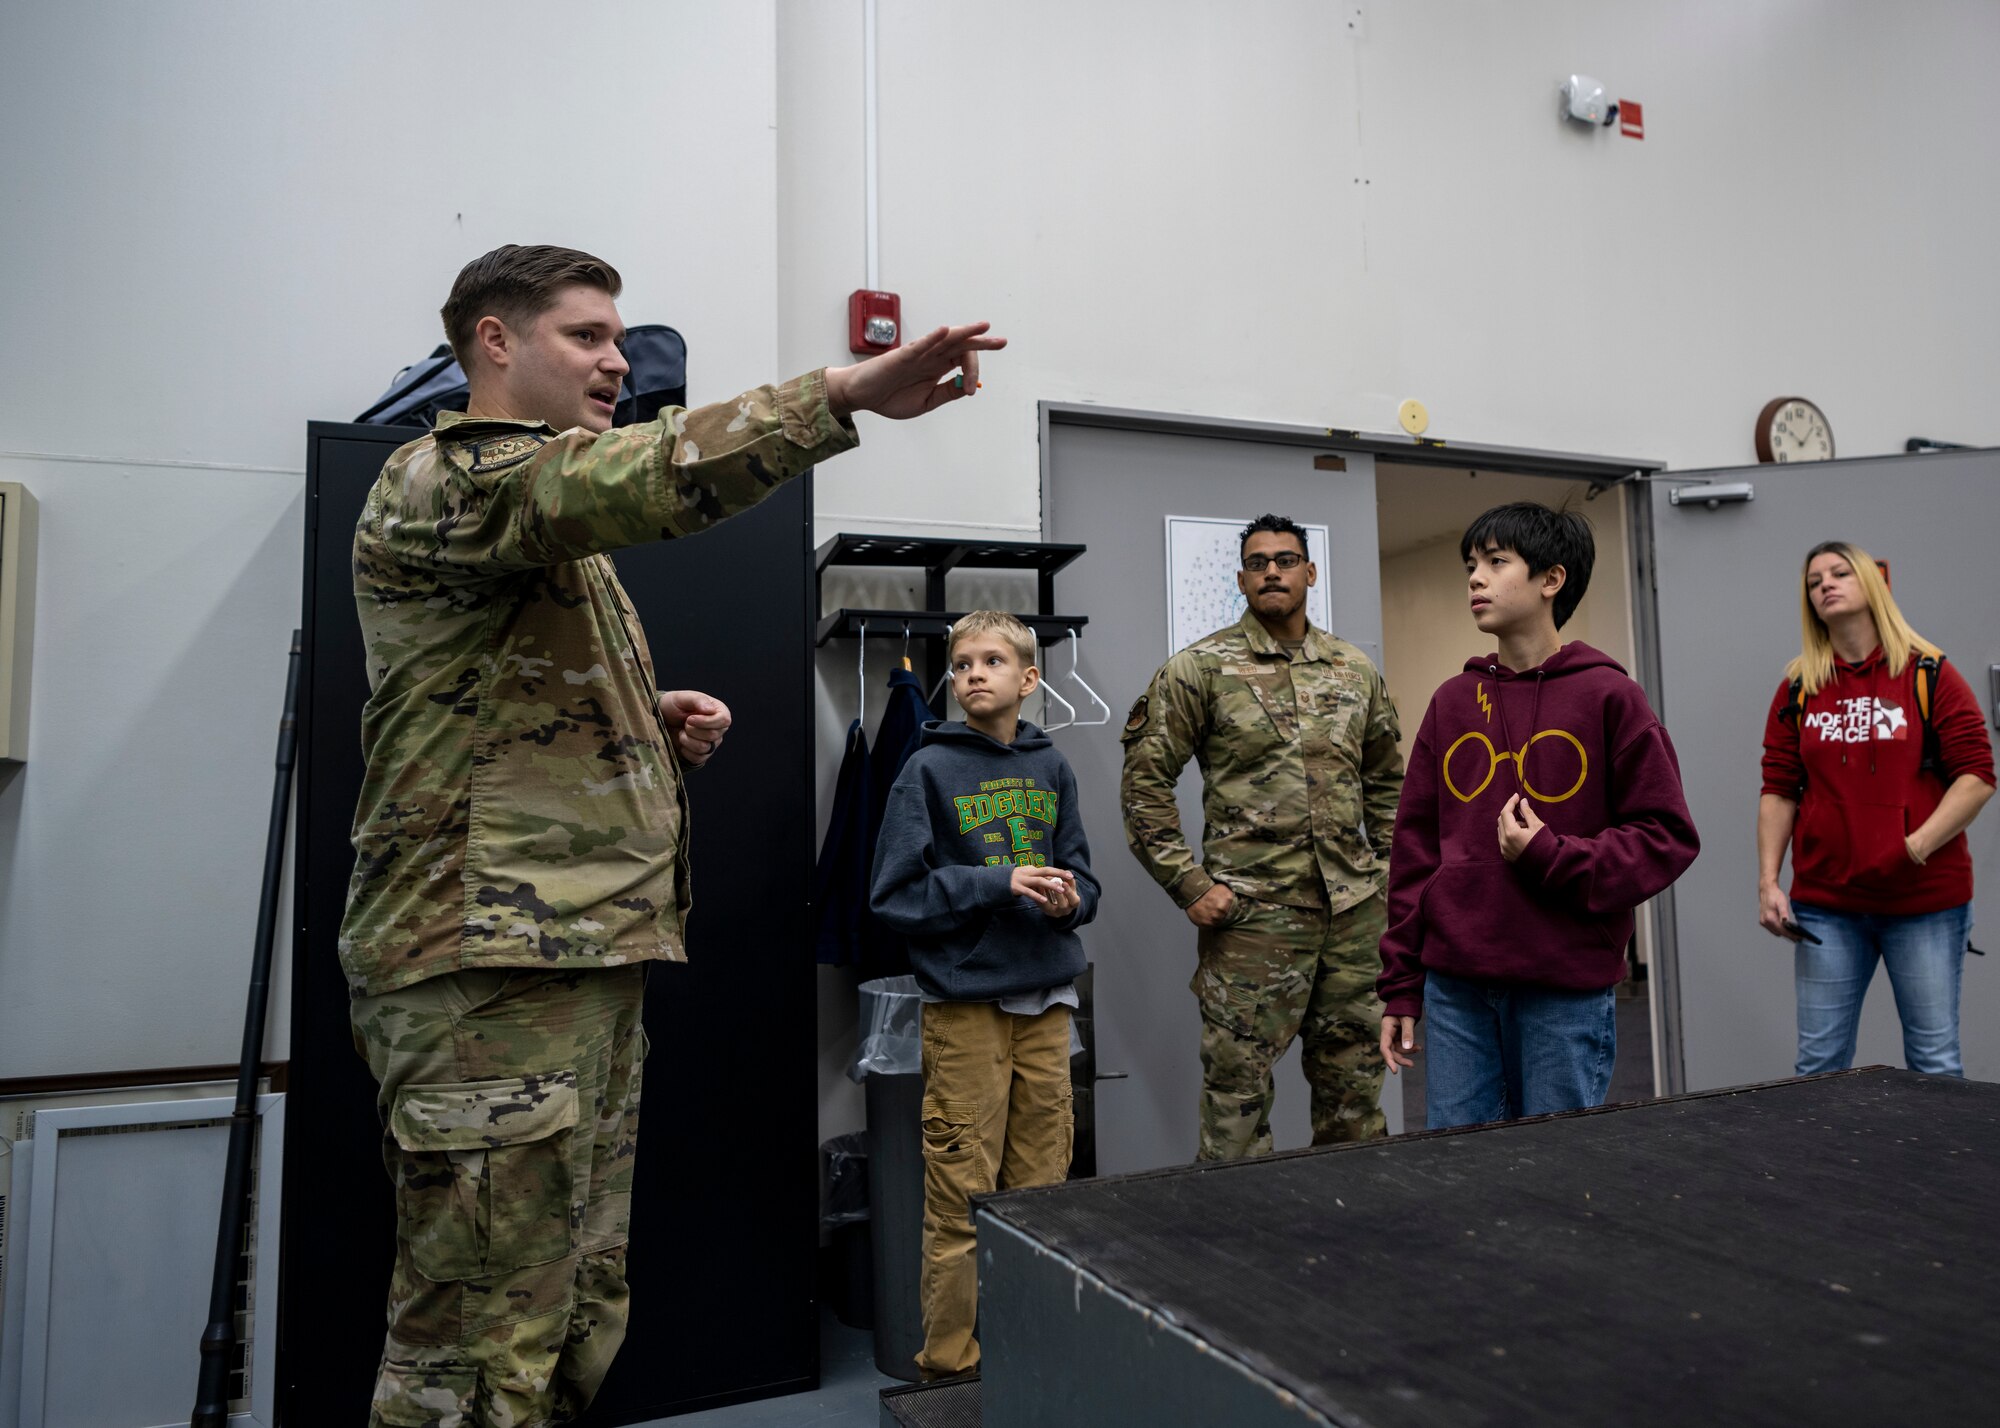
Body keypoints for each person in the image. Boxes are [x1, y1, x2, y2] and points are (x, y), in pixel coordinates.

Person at [340, 243, 1003, 1425]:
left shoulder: (532, 527)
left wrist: (639, 720)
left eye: (615, 335)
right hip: (481, 974)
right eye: (585, 336)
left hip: (570, 964)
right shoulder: (448, 482)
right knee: (472, 1340)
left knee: (569, 1303)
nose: (615, 359)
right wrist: (841, 392)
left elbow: (476, 706)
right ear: (494, 341)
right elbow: (631, 478)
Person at [1377, 502, 1699, 1129]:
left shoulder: (1610, 696)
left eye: (1497, 563)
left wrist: (1552, 857)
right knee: (1459, 1176)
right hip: (1456, 988)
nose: (1476, 578)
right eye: (1472, 565)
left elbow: (1667, 837)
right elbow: (1414, 853)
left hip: (1564, 987)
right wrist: (1402, 982)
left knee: (1556, 1184)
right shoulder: (1450, 703)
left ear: (1551, 580)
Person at [1122, 514, 1403, 1160]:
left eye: (1285, 559)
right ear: (1242, 579)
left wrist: (1392, 878)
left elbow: (1390, 783)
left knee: (1355, 1096)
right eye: (1257, 562)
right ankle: (1235, 1248)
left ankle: (1361, 1240)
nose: (1271, 570)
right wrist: (1188, 883)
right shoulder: (1201, 670)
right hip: (1254, 924)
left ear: (1310, 572)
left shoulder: (1354, 671)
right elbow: (1144, 783)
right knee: (1237, 1105)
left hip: (1354, 922)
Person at [869, 610, 1100, 1380]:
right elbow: (894, 896)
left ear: (1028, 681)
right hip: (965, 1010)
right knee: (961, 1200)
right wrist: (999, 882)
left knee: (1041, 1200)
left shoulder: (1053, 765)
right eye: (961, 662)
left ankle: (1034, 1356)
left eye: (991, 660)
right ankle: (951, 1370)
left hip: (1047, 1004)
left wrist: (1072, 900)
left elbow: (1084, 874)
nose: (973, 673)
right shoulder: (925, 769)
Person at [1757, 541, 1994, 1076]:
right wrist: (1769, 882)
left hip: (1925, 903)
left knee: (1934, 1064)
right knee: (1819, 1067)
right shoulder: (1800, 686)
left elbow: (1977, 777)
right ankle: (1824, 1164)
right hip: (1826, 905)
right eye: (1814, 581)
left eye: (1840, 573)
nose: (1825, 585)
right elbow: (1778, 789)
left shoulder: (1929, 673)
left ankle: (1937, 1164)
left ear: (1873, 585)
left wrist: (1913, 847)